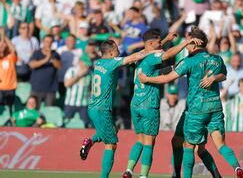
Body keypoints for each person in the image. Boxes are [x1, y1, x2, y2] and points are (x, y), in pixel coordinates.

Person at [138, 27, 243, 178]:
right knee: (210, 144)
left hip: (196, 109)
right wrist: (214, 78)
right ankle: (237, 168)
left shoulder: (189, 61)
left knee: (189, 146)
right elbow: (223, 75)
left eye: (188, 43)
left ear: (194, 44)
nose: (186, 46)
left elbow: (168, 78)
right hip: (214, 107)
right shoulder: (216, 59)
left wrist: (147, 79)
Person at [78, 39, 158, 178]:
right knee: (111, 145)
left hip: (93, 108)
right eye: (116, 50)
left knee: (114, 130)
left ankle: (90, 141)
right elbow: (133, 57)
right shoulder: (111, 63)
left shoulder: (98, 63)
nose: (118, 51)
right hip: (102, 110)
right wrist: (153, 51)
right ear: (109, 53)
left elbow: (131, 58)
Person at [122, 30, 188, 178]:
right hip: (149, 105)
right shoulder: (152, 57)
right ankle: (143, 176)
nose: (161, 45)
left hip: (135, 104)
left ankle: (128, 170)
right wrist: (185, 43)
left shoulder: (141, 56)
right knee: (149, 143)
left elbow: (153, 48)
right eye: (159, 43)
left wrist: (166, 39)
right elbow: (167, 54)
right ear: (151, 43)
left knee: (139, 140)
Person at [29, 35, 62, 107]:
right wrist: (46, 59)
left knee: (49, 111)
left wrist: (51, 57)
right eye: (47, 41)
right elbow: (32, 65)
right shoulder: (36, 53)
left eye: (50, 42)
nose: (48, 43)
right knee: (35, 109)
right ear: (43, 42)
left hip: (51, 89)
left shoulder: (55, 54)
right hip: (36, 88)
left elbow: (59, 66)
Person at [63, 54, 92, 128]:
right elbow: (67, 84)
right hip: (70, 103)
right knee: (66, 123)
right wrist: (79, 76)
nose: (87, 66)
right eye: (86, 64)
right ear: (80, 62)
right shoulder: (71, 71)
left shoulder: (90, 73)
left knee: (85, 125)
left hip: (84, 103)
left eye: (88, 65)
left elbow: (91, 89)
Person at [0, 35, 17, 116]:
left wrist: (5, 37)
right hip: (0, 89)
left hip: (10, 88)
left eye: (4, 44)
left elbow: (13, 50)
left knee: (10, 110)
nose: (2, 46)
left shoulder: (10, 58)